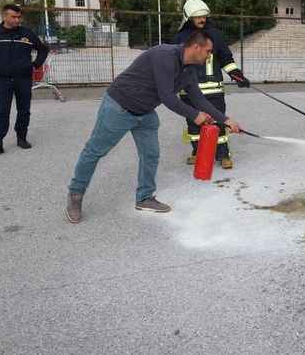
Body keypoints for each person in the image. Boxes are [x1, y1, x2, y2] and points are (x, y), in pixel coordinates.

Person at [65, 30, 241, 224]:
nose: (210, 55)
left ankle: (144, 198)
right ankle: (75, 195)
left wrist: (225, 120)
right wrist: (194, 115)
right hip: (119, 107)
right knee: (94, 151)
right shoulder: (164, 56)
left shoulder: (189, 69)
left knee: (150, 154)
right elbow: (167, 97)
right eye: (208, 51)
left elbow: (198, 98)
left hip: (145, 112)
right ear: (195, 47)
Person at [174, 0, 251, 170]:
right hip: (189, 91)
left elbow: (225, 58)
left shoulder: (215, 35)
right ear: (188, 18)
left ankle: (222, 154)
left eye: (204, 16)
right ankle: (198, 151)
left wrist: (236, 75)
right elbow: (175, 62)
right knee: (193, 124)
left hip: (213, 88)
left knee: (218, 122)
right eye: (197, 17)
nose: (202, 19)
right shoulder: (180, 38)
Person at [0, 3, 49, 157]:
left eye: (18, 17)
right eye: (13, 17)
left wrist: (35, 65)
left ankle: (21, 138)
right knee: (2, 111)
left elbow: (43, 49)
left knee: (24, 110)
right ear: (4, 16)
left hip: (24, 79)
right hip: (3, 80)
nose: (17, 20)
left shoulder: (27, 34)